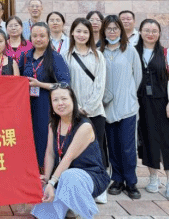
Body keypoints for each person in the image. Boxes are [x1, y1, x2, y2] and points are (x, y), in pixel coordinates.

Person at [32, 85, 110, 219]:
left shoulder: (84, 126)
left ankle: (86, 216)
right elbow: (50, 153)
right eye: (55, 100)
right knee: (44, 211)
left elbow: (68, 157)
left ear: (73, 100)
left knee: (69, 177)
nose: (60, 103)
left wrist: (52, 183)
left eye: (64, 99)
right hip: (63, 176)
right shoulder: (53, 125)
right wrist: (47, 179)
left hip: (89, 175)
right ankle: (70, 202)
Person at [65, 17, 108, 203]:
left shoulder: (98, 56)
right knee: (76, 150)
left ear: (90, 34)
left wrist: (87, 108)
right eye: (78, 31)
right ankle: (79, 186)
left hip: (95, 112)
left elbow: (100, 85)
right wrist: (74, 108)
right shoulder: (66, 56)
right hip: (73, 112)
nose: (81, 35)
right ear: (72, 33)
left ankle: (101, 188)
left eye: (85, 32)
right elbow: (65, 84)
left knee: (97, 149)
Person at [136, 19, 169, 200]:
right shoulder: (134, 51)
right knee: (147, 139)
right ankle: (153, 177)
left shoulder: (166, 52)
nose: (150, 34)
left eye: (154, 31)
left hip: (161, 101)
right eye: (147, 30)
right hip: (140, 102)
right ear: (140, 32)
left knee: (165, 140)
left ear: (159, 33)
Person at [20, 22, 70, 174]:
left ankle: (47, 174)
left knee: (45, 139)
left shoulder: (55, 57)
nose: (38, 39)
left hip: (47, 106)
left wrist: (40, 84)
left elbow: (65, 84)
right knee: (30, 139)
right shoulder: (25, 56)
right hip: (28, 106)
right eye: (35, 36)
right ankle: (32, 172)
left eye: (42, 36)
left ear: (48, 38)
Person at [101, 14, 142, 200]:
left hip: (127, 107)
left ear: (121, 30)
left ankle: (131, 181)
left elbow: (137, 77)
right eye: (109, 28)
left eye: (115, 28)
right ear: (104, 31)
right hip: (107, 107)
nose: (112, 32)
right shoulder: (100, 51)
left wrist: (129, 94)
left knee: (127, 146)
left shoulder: (130, 51)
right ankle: (117, 179)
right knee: (112, 145)